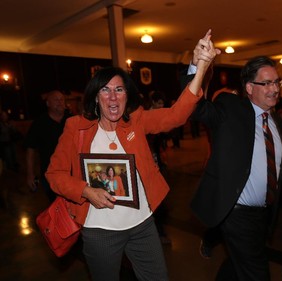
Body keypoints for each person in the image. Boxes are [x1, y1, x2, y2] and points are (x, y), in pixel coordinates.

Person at [45, 30, 219, 281]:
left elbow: (176, 115)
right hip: (99, 230)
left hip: (142, 224)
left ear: (128, 96)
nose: (113, 97)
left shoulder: (136, 121)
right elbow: (54, 174)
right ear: (95, 97)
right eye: (105, 90)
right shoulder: (76, 127)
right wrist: (85, 190)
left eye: (119, 90)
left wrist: (200, 67)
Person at [189, 56, 282, 280]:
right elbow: (196, 109)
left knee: (239, 261)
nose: (274, 89)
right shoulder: (231, 108)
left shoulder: (277, 122)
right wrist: (198, 66)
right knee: (257, 271)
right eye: (267, 83)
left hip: (264, 213)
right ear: (250, 87)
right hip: (237, 211)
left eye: (277, 82)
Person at [24, 90, 70, 202]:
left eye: (62, 99)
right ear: (48, 103)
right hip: (50, 174)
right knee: (55, 205)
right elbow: (30, 149)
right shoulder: (39, 123)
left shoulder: (72, 120)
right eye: (56, 100)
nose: (60, 102)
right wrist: (30, 174)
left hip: (72, 173)